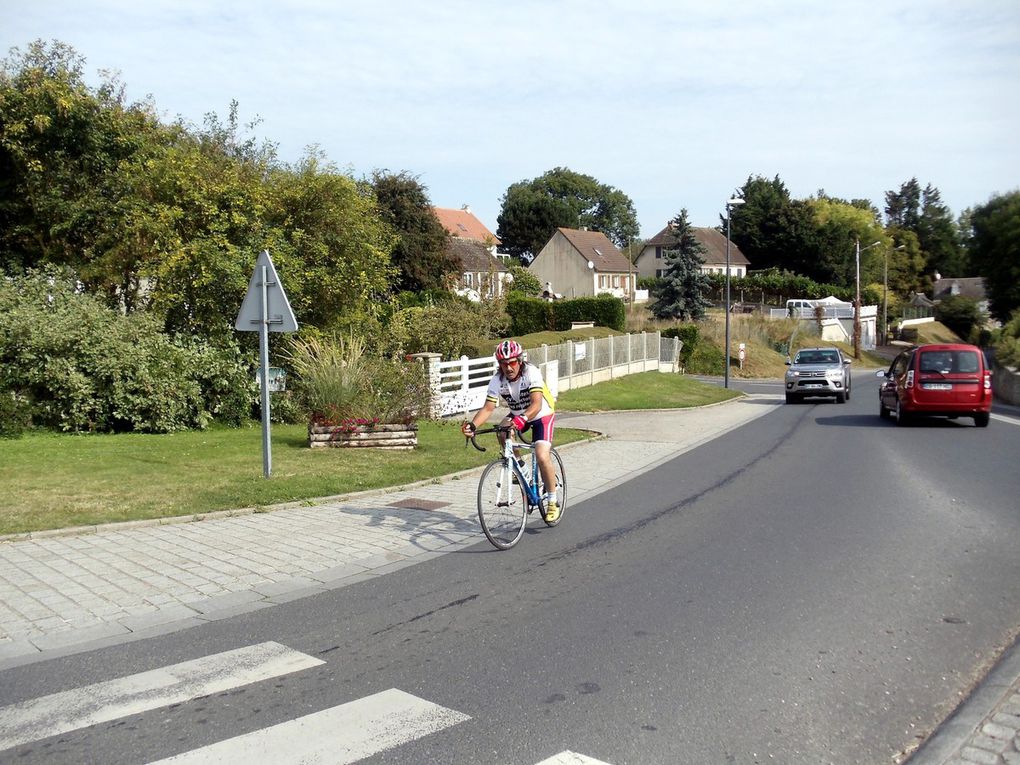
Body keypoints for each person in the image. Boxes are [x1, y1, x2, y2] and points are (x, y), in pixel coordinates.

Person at [461, 339, 559, 521]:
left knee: (542, 454)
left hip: (541, 414)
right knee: (502, 430)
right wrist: (473, 426)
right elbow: (488, 408)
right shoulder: (497, 380)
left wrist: (523, 418)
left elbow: (537, 404)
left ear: (520, 361)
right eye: (503, 364)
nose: (508, 367)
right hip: (518, 413)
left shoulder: (531, 372)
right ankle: (521, 469)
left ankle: (552, 500)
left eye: (512, 362)